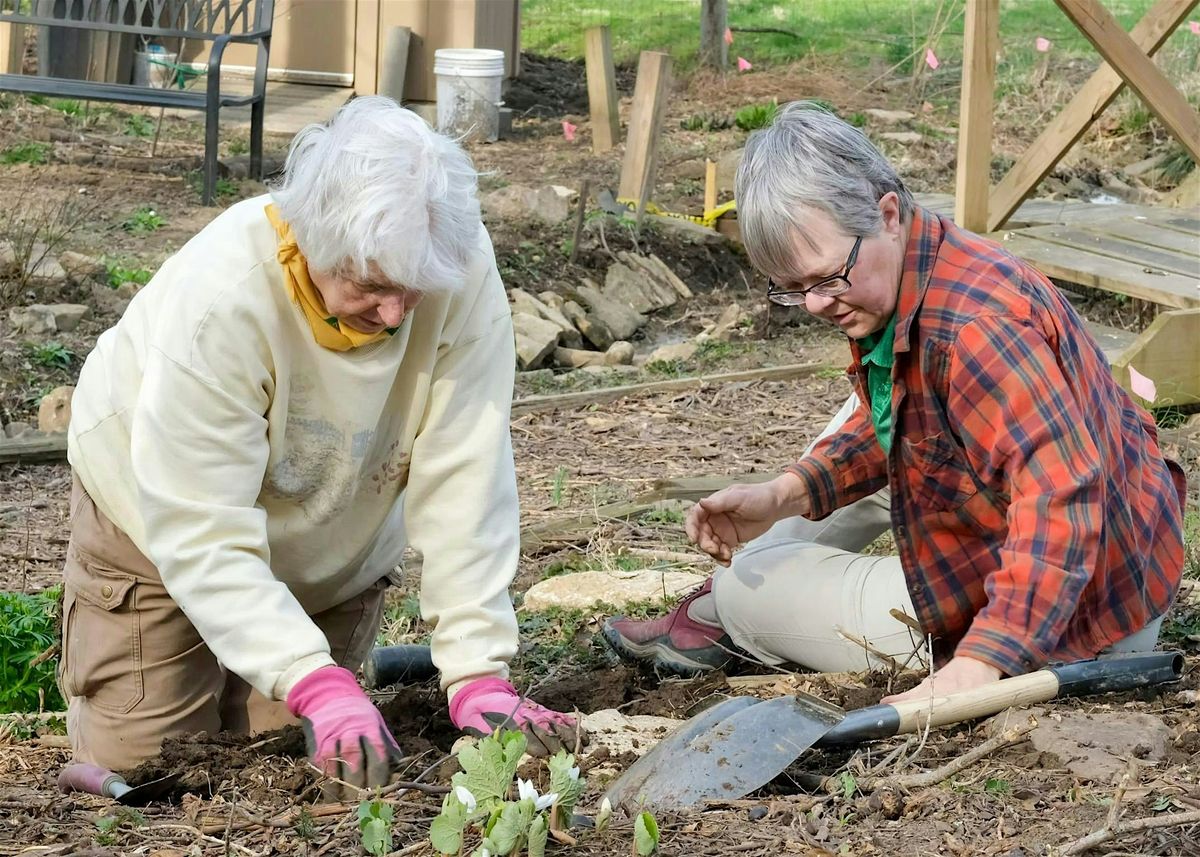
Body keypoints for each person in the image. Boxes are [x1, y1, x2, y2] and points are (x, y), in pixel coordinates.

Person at [60, 97, 576, 796]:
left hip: (335, 527)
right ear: (311, 241)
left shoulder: (452, 262)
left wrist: (477, 668)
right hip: (157, 523)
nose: (396, 314)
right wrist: (314, 677)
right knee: (155, 774)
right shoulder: (224, 302)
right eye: (373, 286)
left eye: (412, 290)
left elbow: (468, 468)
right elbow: (201, 528)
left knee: (301, 768)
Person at [603, 102, 1187, 704]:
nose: (814, 305)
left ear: (885, 214)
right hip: (1112, 555)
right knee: (853, 424)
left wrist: (983, 661)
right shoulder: (923, 261)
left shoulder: (977, 331)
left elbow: (1062, 495)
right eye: (793, 289)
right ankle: (749, 578)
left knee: (743, 589)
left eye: (827, 278)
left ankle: (724, 610)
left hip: (1084, 622)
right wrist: (785, 495)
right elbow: (902, 417)